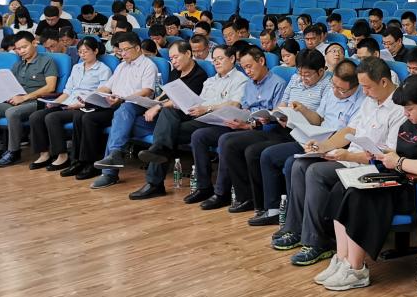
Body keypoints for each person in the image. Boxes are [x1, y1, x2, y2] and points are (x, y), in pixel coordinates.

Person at [316, 75, 417, 290]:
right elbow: (405, 152)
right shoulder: (413, 120)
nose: (406, 114)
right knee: (343, 187)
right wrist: (383, 154)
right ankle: (342, 259)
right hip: (398, 178)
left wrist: (399, 162)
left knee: (358, 196)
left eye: (410, 109)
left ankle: (356, 270)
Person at [272, 57, 404, 266]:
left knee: (315, 172)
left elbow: (387, 156)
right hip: (352, 158)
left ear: (384, 82)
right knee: (300, 165)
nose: (364, 92)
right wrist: (323, 146)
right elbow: (350, 129)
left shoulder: (400, 109)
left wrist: (347, 156)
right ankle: (295, 229)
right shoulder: (371, 100)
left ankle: (318, 241)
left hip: (370, 167)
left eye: (367, 87)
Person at [215, 48, 330, 215]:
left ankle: (270, 207)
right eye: (300, 73)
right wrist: (275, 114)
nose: (303, 79)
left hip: (304, 134)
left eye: (307, 75)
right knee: (230, 142)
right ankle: (251, 200)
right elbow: (283, 103)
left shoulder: (327, 85)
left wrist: (302, 110)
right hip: (282, 126)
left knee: (254, 152)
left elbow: (319, 120)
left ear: (320, 71)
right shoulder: (295, 78)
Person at [257, 58, 365, 228]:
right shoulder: (331, 91)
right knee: (269, 155)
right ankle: (274, 211)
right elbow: (318, 119)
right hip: (317, 137)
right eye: (334, 85)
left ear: (355, 86)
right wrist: (303, 110)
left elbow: (349, 132)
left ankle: (295, 221)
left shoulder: (362, 101)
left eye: (342, 90)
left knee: (293, 163)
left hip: (338, 144)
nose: (336, 92)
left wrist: (324, 145)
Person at [136, 44, 248, 202]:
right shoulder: (210, 81)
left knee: (166, 135)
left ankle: (155, 178)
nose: (216, 62)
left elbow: (234, 104)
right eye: (214, 59)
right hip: (202, 119)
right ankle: (158, 162)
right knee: (168, 115)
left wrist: (207, 108)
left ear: (231, 59)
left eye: (220, 59)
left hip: (222, 122)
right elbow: (199, 102)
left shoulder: (241, 80)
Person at [94, 40, 208, 191]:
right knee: (123, 119)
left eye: (176, 57)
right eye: (171, 58)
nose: (173, 61)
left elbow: (182, 102)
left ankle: (120, 170)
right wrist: (155, 102)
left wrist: (157, 106)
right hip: (161, 120)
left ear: (188, 53)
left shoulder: (199, 75)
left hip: (178, 121)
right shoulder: (176, 72)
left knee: (124, 126)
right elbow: (166, 94)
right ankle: (115, 157)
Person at [193, 46, 287, 210]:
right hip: (247, 124)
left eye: (250, 67)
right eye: (244, 68)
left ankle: (230, 194)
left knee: (228, 141)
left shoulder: (278, 84)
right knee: (202, 135)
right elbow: (245, 108)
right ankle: (230, 193)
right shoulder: (249, 84)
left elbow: (278, 116)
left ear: (261, 61)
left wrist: (250, 124)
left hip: (267, 130)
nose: (247, 72)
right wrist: (240, 119)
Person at [60, 32, 158, 183]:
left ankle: (108, 167)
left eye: (126, 50)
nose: (122, 54)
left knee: (124, 109)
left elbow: (147, 91)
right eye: (120, 50)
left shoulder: (148, 65)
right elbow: (107, 87)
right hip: (115, 104)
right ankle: (83, 161)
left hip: (135, 105)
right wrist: (91, 96)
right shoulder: (122, 66)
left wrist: (123, 98)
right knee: (85, 117)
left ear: (138, 48)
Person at [0, 32, 59, 167]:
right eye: (18, 49)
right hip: (18, 101)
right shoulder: (18, 65)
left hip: (37, 101)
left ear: (34, 43)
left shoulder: (47, 61)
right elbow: (7, 84)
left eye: (24, 47)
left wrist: (25, 97)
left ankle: (14, 152)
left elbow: (50, 87)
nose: (21, 51)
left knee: (12, 112)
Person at [27, 37, 112, 171]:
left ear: (95, 51)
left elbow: (100, 95)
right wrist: (56, 102)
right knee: (36, 116)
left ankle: (62, 156)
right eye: (80, 52)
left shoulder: (103, 70)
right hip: (68, 102)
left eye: (86, 51)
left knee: (52, 118)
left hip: (83, 105)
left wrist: (80, 103)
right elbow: (67, 91)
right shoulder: (76, 67)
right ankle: (44, 154)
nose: (82, 55)